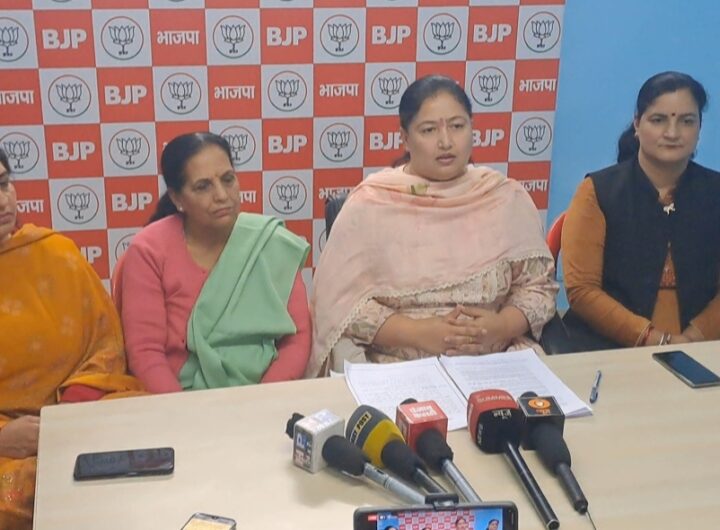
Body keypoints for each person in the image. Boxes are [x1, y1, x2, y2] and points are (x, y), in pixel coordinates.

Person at [308, 75, 557, 375]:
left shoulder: (504, 198)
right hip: (396, 366)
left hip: (496, 358)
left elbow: (538, 288)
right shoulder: (371, 204)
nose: (446, 142)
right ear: (405, 137)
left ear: (472, 127)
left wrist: (501, 326)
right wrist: (418, 332)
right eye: (429, 130)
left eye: (457, 126)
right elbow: (340, 306)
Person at [0, 148, 144, 529]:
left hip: (75, 412)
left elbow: (106, 345)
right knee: (30, 492)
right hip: (7, 444)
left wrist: (70, 413)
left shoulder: (56, 253)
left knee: (145, 437)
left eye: (3, 184)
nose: (2, 201)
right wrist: (4, 438)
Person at [120, 132, 311, 392]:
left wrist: (263, 400)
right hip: (181, 399)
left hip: (266, 395)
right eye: (203, 186)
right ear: (177, 198)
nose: (222, 195)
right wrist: (185, 410)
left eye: (228, 179)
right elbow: (145, 352)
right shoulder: (149, 250)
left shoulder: (269, 242)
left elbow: (296, 338)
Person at [562, 71, 720, 349]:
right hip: (608, 345)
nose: (672, 133)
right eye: (658, 120)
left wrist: (692, 340)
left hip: (705, 346)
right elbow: (582, 291)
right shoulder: (597, 191)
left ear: (699, 128)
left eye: (687, 121)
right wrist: (654, 340)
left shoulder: (714, 191)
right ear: (637, 124)